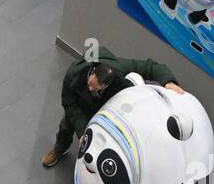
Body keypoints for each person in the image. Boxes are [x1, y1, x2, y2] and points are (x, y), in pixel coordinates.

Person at [41, 47, 182, 168]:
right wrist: (82, 131)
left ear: (107, 84)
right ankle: (59, 149)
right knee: (66, 127)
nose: (90, 88)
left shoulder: (119, 70)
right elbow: (69, 103)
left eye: (95, 88)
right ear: (92, 70)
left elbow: (150, 67)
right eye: (90, 83)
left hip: (105, 111)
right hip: (79, 108)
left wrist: (168, 81)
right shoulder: (74, 73)